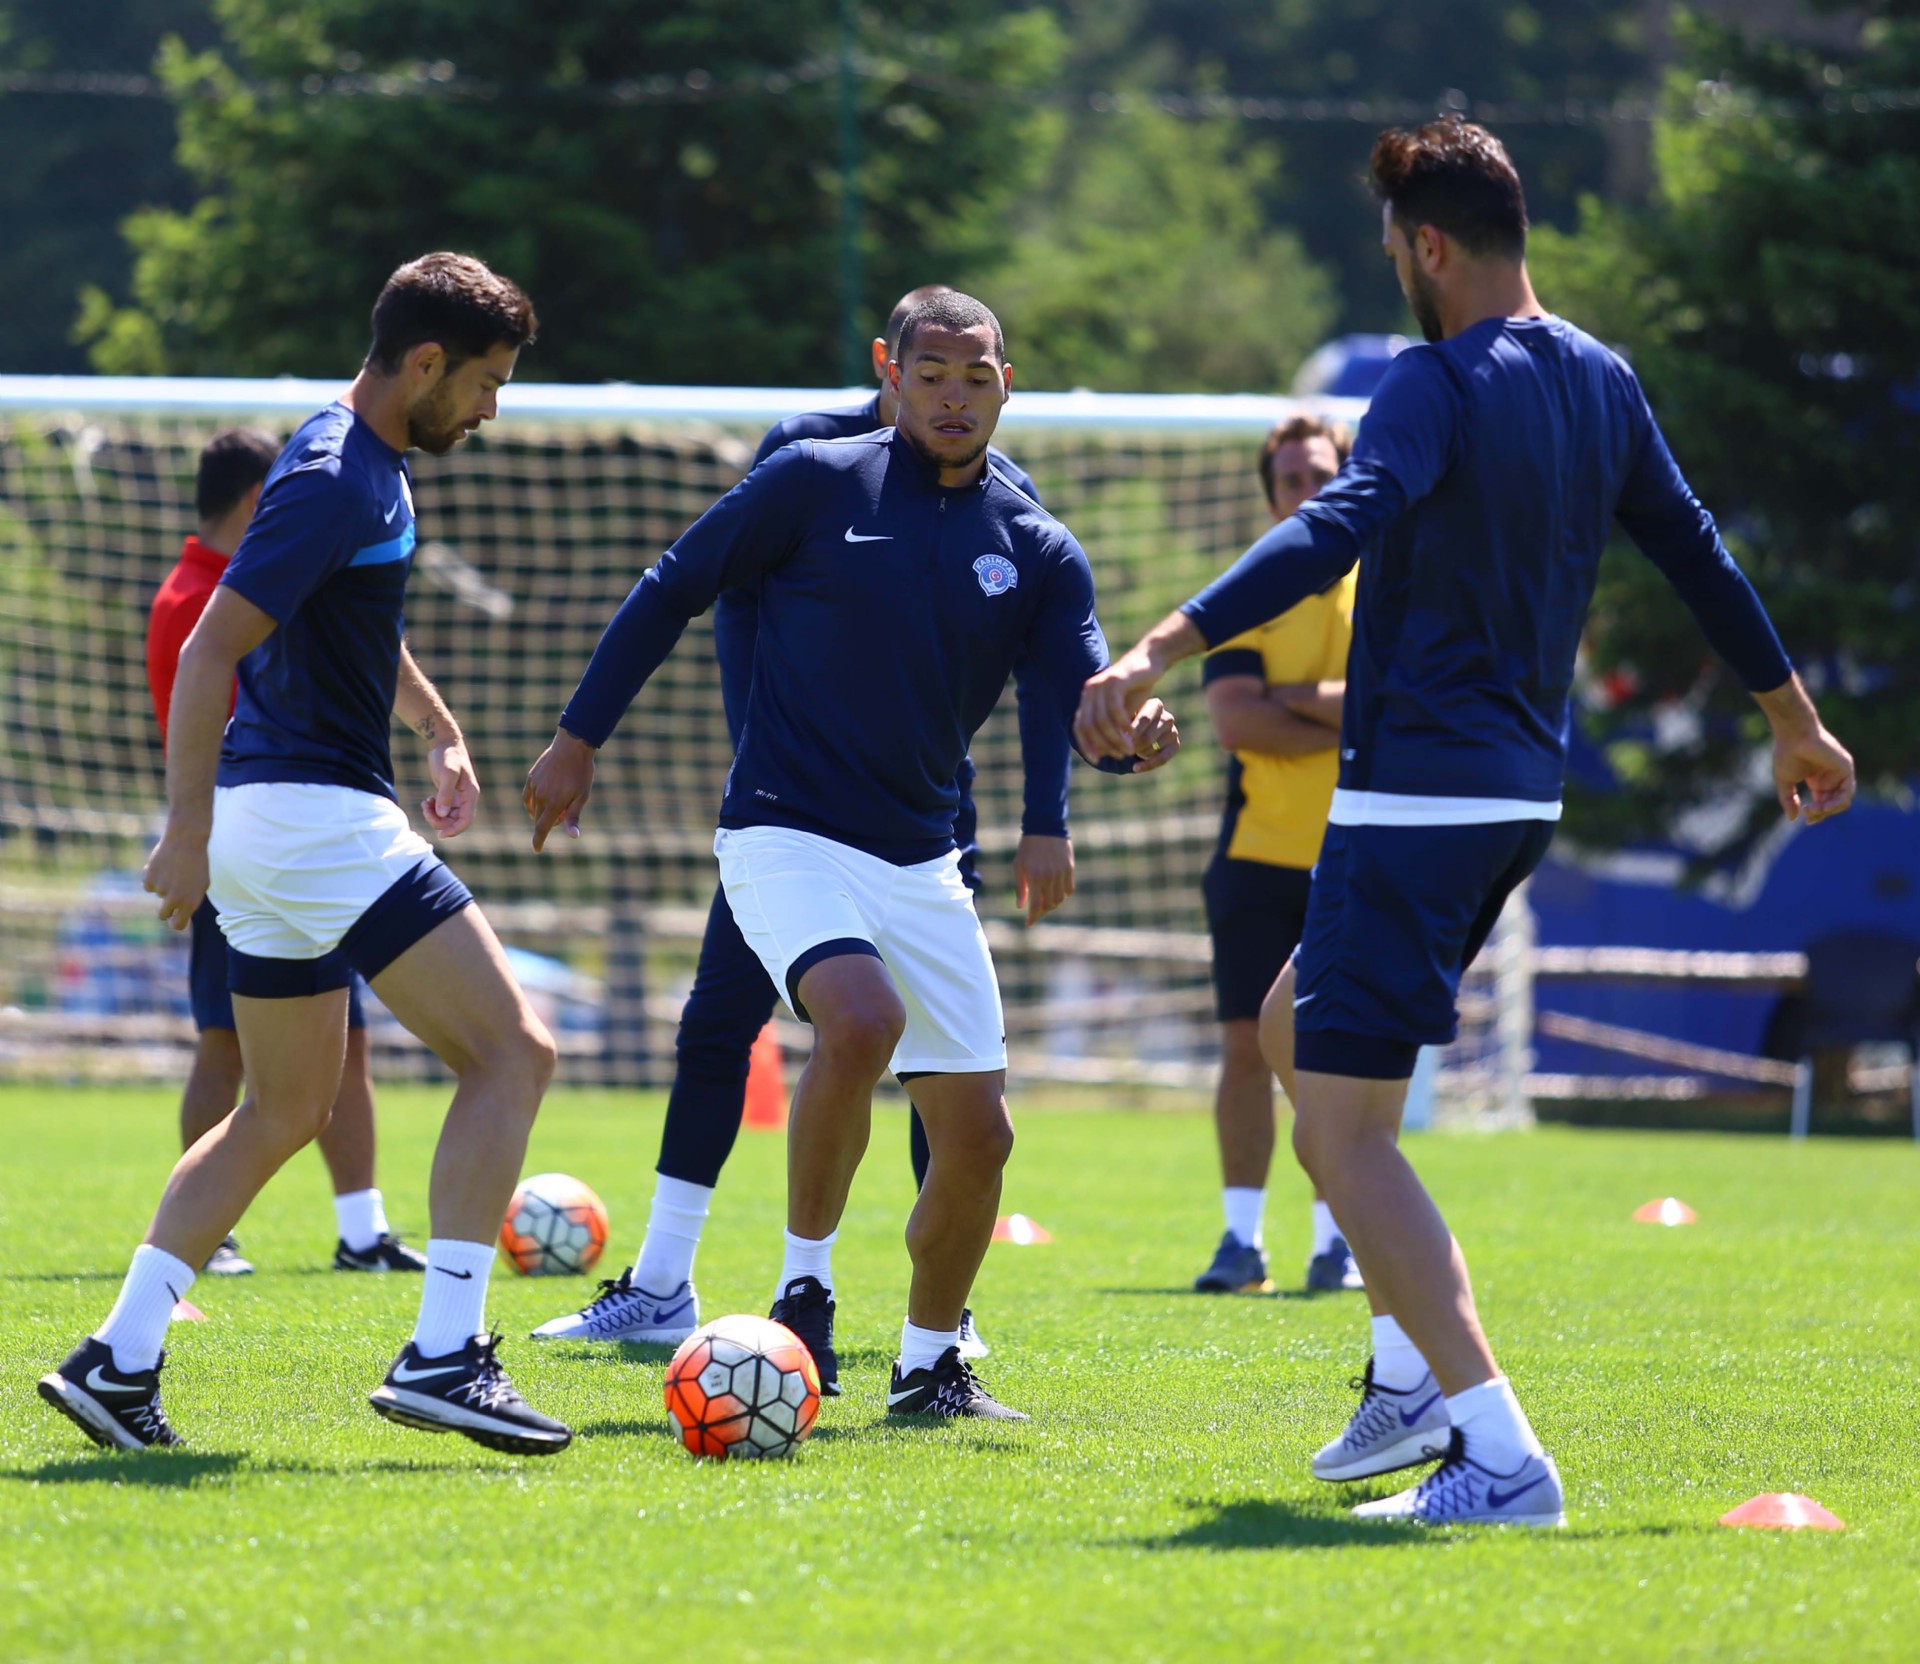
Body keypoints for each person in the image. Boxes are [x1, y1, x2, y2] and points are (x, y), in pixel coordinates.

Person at [1075, 120, 1854, 1524]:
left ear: (1427, 244)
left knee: (1348, 1138)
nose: (1395, 270)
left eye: (1393, 249)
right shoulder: (1601, 377)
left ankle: (1496, 1450)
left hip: (1414, 796)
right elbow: (1696, 552)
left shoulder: (1430, 380)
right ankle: (1402, 1376)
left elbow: (1338, 524)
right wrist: (1791, 717)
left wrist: (1159, 646)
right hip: (1514, 797)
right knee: (1288, 1030)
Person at [526, 291, 1178, 1419]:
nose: (954, 397)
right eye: (932, 374)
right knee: (860, 1020)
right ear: (890, 371)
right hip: (784, 832)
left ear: (1007, 384)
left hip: (924, 862)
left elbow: (1081, 701)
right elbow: (672, 586)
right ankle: (806, 1292)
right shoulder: (812, 481)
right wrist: (578, 737)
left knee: (981, 1135)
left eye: (976, 377)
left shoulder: (1035, 545)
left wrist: (1128, 741)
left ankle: (929, 1365)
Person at [40, 253, 572, 1457]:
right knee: (513, 1051)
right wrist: (183, 830)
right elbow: (207, 652)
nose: (490, 409)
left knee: (282, 1105)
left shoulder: (357, 462)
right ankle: (446, 1353)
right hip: (313, 822)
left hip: (279, 831)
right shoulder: (336, 473)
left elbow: (356, 622)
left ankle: (118, 1355)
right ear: (424, 362)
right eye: (485, 383)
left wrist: (436, 727)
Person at [146, 429, 427, 1277]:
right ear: (253, 501)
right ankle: (209, 1239)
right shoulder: (196, 599)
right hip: (238, 844)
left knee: (347, 1038)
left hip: (301, 844)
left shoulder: (271, 575)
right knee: (224, 1044)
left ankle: (362, 1231)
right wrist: (190, 835)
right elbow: (215, 722)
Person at [1193, 414, 1363, 1298]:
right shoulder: (1247, 591)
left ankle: (1338, 1243)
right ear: (1270, 500)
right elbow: (1236, 721)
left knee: (1339, 1056)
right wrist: (1341, 709)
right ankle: (1240, 1241)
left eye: (1321, 475)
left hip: (1358, 857)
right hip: (1255, 859)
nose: (1308, 492)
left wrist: (1290, 697)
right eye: (1291, 481)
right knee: (1245, 1049)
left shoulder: (1392, 584)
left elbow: (1399, 706)